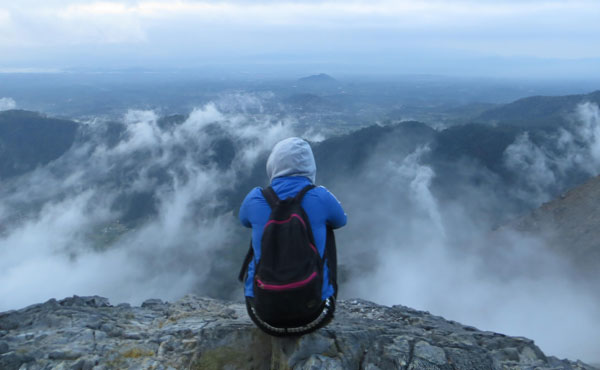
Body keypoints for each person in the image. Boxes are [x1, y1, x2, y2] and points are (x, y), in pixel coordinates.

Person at [239, 137, 347, 335]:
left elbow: (244, 221)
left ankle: (263, 288)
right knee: (326, 227)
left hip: (262, 313)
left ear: (273, 165)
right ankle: (320, 289)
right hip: (313, 313)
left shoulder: (255, 197)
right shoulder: (321, 196)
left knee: (263, 229)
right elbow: (341, 221)